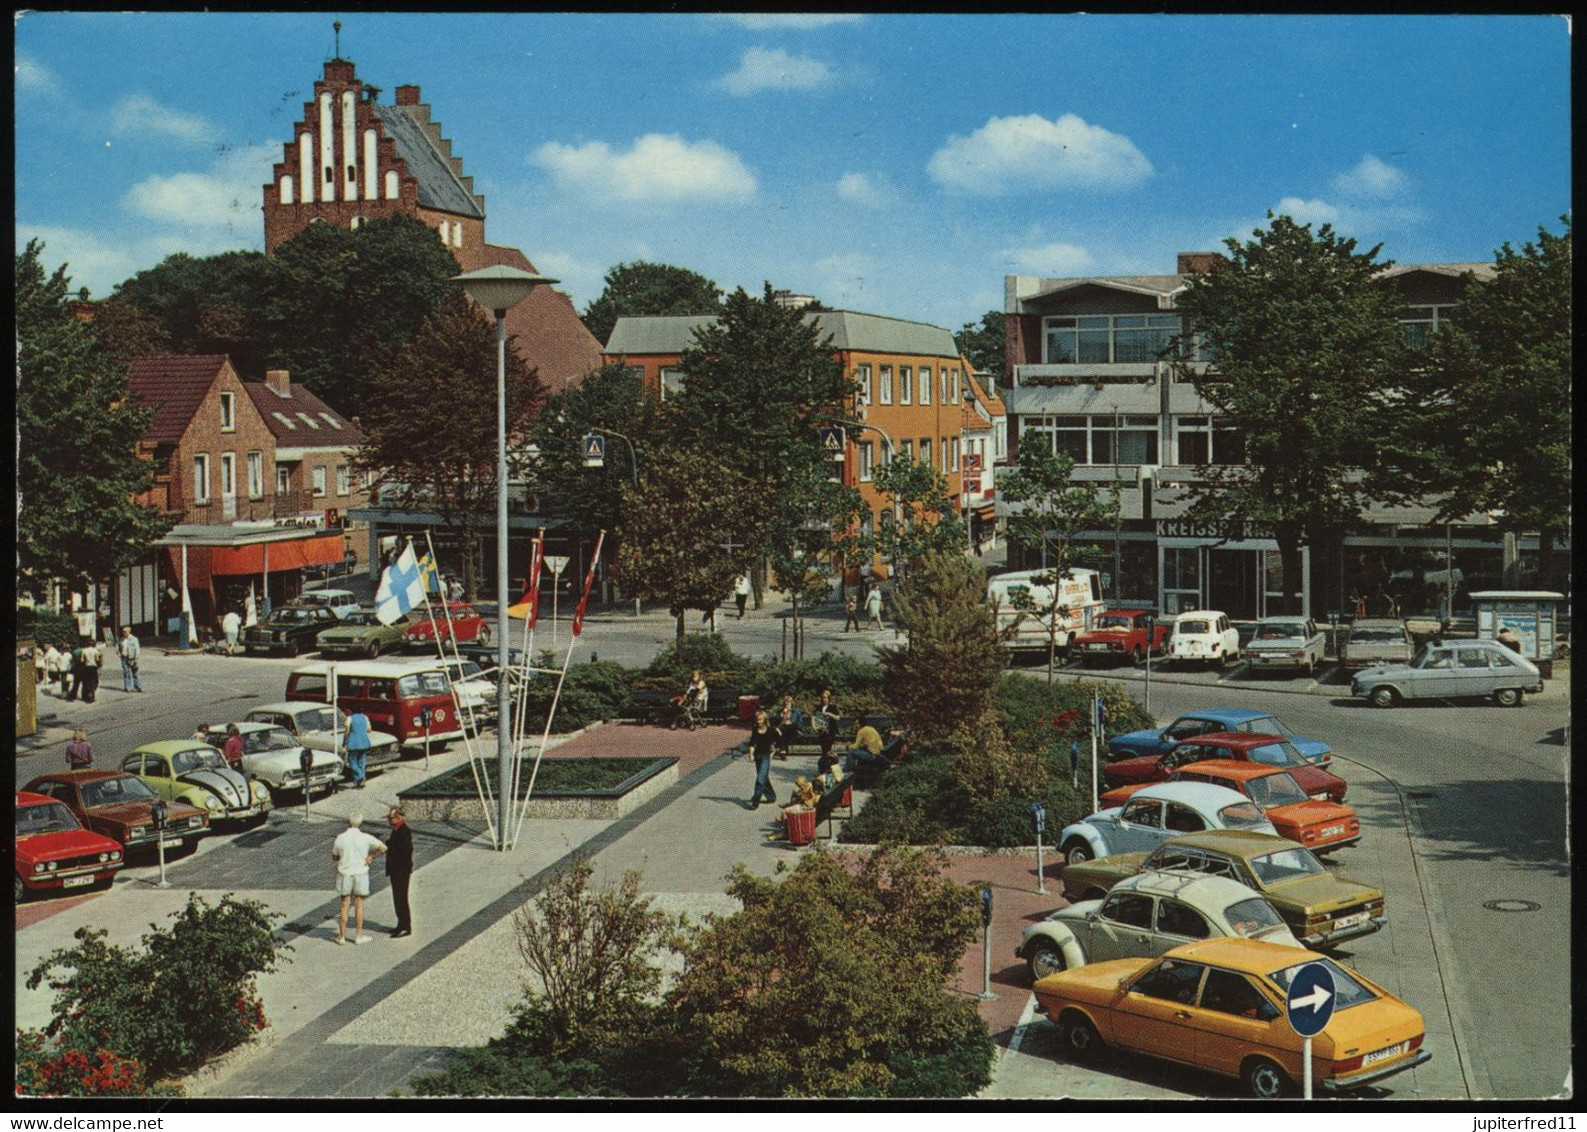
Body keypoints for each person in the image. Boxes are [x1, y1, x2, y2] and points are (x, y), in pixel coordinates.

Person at [332, 812, 386, 945]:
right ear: (360, 823)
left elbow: (334, 856)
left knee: (344, 904)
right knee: (359, 904)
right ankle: (358, 935)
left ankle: (342, 936)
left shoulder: (340, 838)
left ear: (348, 823)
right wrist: (371, 857)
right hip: (361, 872)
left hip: (345, 873)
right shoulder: (366, 837)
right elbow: (383, 847)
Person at [385, 806, 414, 938]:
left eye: (391, 818)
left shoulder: (404, 831)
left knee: (401, 898)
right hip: (396, 870)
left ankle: (405, 926)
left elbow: (407, 850)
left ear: (399, 817)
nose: (389, 820)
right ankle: (400, 924)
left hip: (401, 870)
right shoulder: (396, 830)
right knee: (397, 898)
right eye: (389, 818)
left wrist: (391, 848)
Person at [746, 709, 780, 809]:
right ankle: (771, 796)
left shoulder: (771, 730)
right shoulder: (755, 729)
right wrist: (751, 755)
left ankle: (756, 801)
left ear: (764, 720)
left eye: (760, 720)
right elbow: (752, 743)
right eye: (757, 720)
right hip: (758, 757)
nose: (758, 722)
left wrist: (774, 749)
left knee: (760, 779)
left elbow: (778, 739)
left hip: (766, 757)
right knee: (764, 777)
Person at [346, 709, 373, 788]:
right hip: (364, 741)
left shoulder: (350, 718)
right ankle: (359, 782)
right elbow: (369, 729)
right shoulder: (365, 717)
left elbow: (347, 730)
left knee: (352, 762)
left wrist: (345, 739)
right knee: (361, 761)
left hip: (353, 743)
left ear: (351, 711)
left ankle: (360, 777)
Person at [813, 689, 841, 759]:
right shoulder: (819, 707)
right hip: (821, 731)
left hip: (830, 730)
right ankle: (826, 762)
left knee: (827, 748)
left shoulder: (832, 707)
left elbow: (837, 717)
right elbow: (814, 717)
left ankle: (826, 762)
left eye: (825, 697)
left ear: (829, 698)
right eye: (823, 697)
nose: (824, 699)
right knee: (823, 748)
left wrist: (829, 714)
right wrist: (814, 726)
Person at [774, 695, 803, 760]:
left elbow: (800, 721)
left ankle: (780, 750)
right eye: (786, 701)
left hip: (793, 730)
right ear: (784, 702)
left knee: (786, 729)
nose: (788, 703)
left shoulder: (796, 711)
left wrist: (792, 723)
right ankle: (783, 753)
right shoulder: (781, 711)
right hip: (784, 730)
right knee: (783, 732)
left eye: (789, 701)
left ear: (792, 702)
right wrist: (782, 714)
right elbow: (776, 721)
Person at [117, 626, 143, 693]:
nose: (123, 633)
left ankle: (138, 687)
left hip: (132, 658)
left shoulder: (134, 639)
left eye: (125, 631)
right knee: (126, 673)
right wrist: (119, 653)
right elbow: (117, 647)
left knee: (135, 672)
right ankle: (128, 688)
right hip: (124, 658)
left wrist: (136, 658)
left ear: (129, 631)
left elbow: (137, 649)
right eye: (123, 631)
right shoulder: (121, 639)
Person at [75, 639, 102, 703]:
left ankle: (85, 696)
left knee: (86, 682)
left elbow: (82, 660)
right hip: (93, 667)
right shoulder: (96, 651)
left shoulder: (84, 651)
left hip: (86, 667)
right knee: (95, 681)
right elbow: (97, 660)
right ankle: (91, 693)